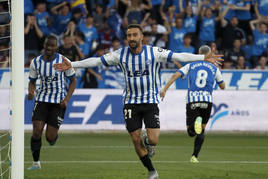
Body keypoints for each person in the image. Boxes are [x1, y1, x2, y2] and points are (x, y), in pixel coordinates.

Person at [54, 24, 223, 179]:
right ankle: (152, 171)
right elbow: (97, 61)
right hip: (130, 102)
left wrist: (201, 58)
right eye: (129, 35)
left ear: (141, 37)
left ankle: (148, 141)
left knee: (153, 140)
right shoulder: (120, 55)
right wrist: (73, 64)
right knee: (135, 139)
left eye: (135, 35)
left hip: (150, 101)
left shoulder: (154, 52)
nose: (132, 38)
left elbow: (178, 55)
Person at [160, 45, 225, 163]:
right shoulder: (214, 68)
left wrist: (164, 89)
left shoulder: (190, 65)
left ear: (199, 54)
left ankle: (195, 126)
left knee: (191, 132)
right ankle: (194, 156)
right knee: (202, 130)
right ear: (209, 54)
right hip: (207, 100)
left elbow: (176, 75)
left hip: (192, 100)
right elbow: (223, 86)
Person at [27, 35, 76, 170]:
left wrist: (66, 99)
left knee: (49, 137)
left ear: (56, 47)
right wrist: (31, 92)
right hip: (41, 100)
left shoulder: (63, 61)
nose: (49, 48)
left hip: (58, 103)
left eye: (52, 46)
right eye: (47, 45)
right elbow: (32, 81)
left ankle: (53, 138)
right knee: (37, 132)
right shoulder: (36, 62)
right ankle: (36, 163)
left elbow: (73, 81)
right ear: (44, 46)